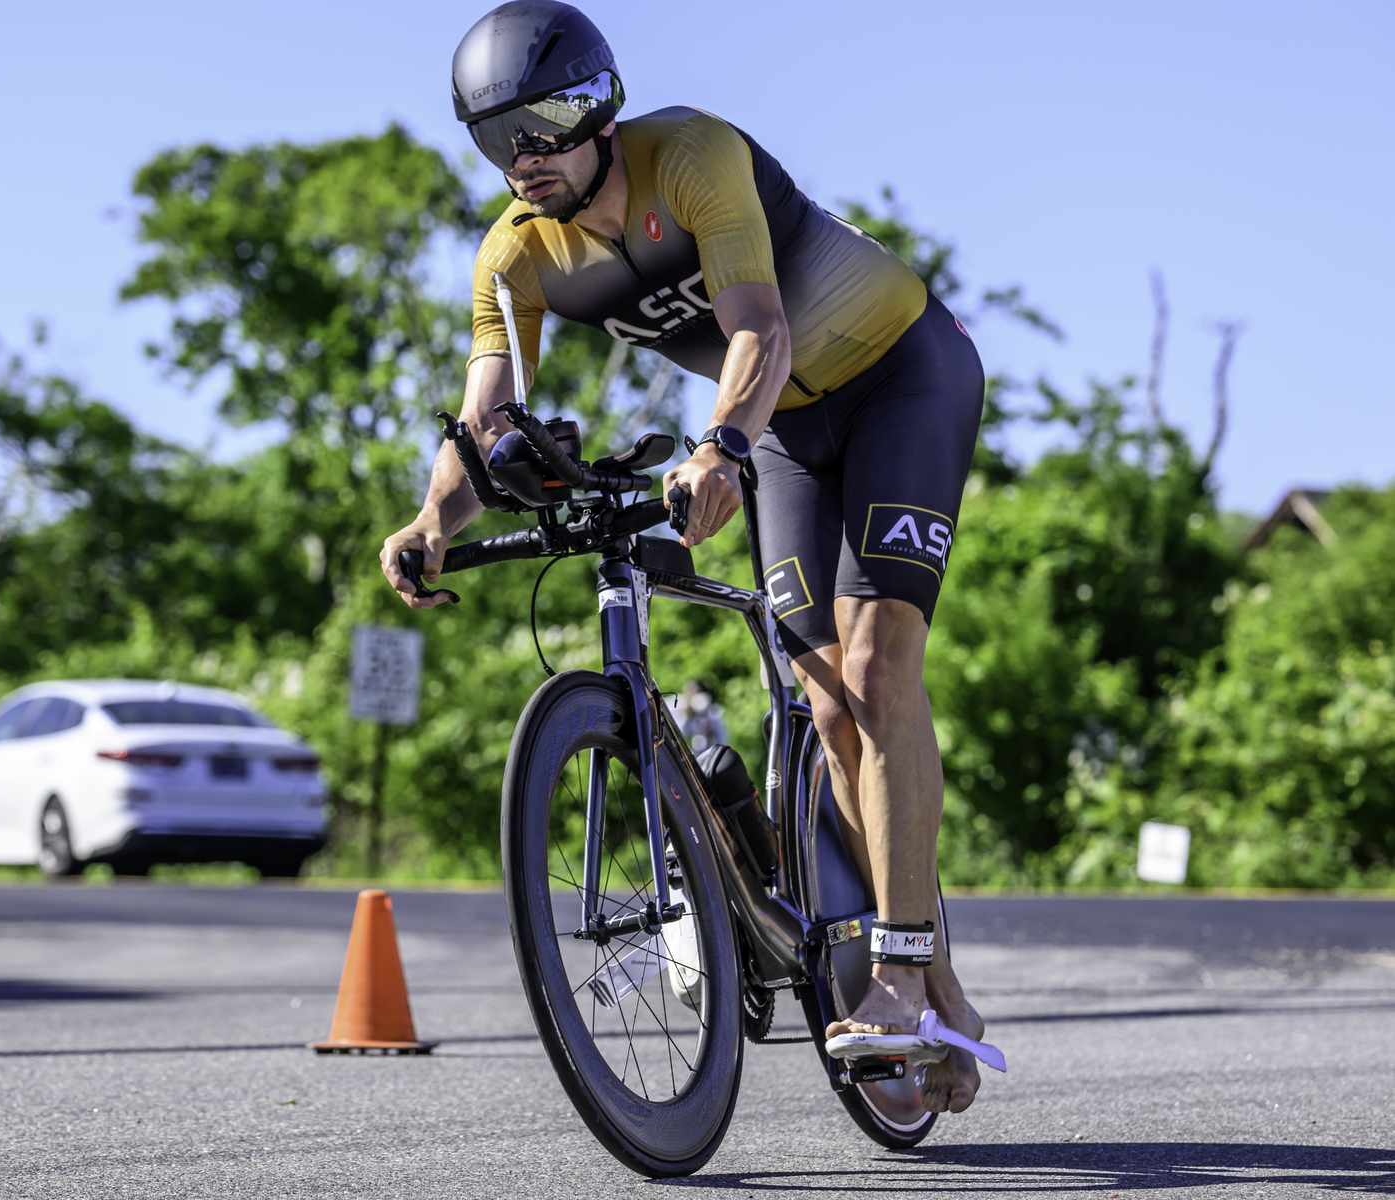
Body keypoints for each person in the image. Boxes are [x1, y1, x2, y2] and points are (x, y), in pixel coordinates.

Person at [380, 0, 988, 1114]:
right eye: (493, 139)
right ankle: (940, 988)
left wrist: (717, 447)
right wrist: (431, 525)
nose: (523, 160)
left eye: (543, 125)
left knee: (877, 667)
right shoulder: (516, 256)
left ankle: (903, 975)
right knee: (830, 713)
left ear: (599, 106)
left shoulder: (692, 154)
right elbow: (487, 420)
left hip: (901, 375)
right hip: (788, 436)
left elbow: (760, 327)